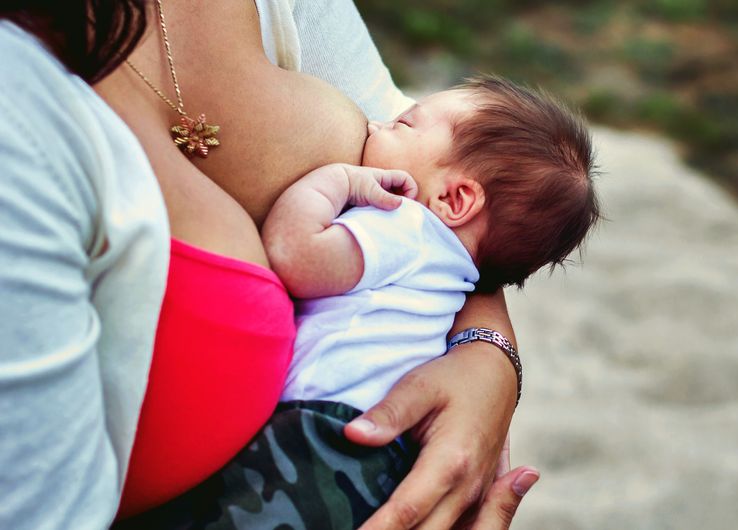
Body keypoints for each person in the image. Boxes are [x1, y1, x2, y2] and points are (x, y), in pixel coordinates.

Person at [0, 1, 535, 529]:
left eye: (397, 124)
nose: (381, 125)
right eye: (394, 123)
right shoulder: (20, 102)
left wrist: (488, 357)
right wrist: (340, 181)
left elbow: (463, 180)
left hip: (325, 455)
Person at [116, 76, 599, 528]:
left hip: (325, 436)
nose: (376, 123)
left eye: (403, 124)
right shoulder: (452, 279)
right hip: (377, 452)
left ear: (454, 201)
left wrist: (335, 182)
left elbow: (297, 256)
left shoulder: (404, 225)